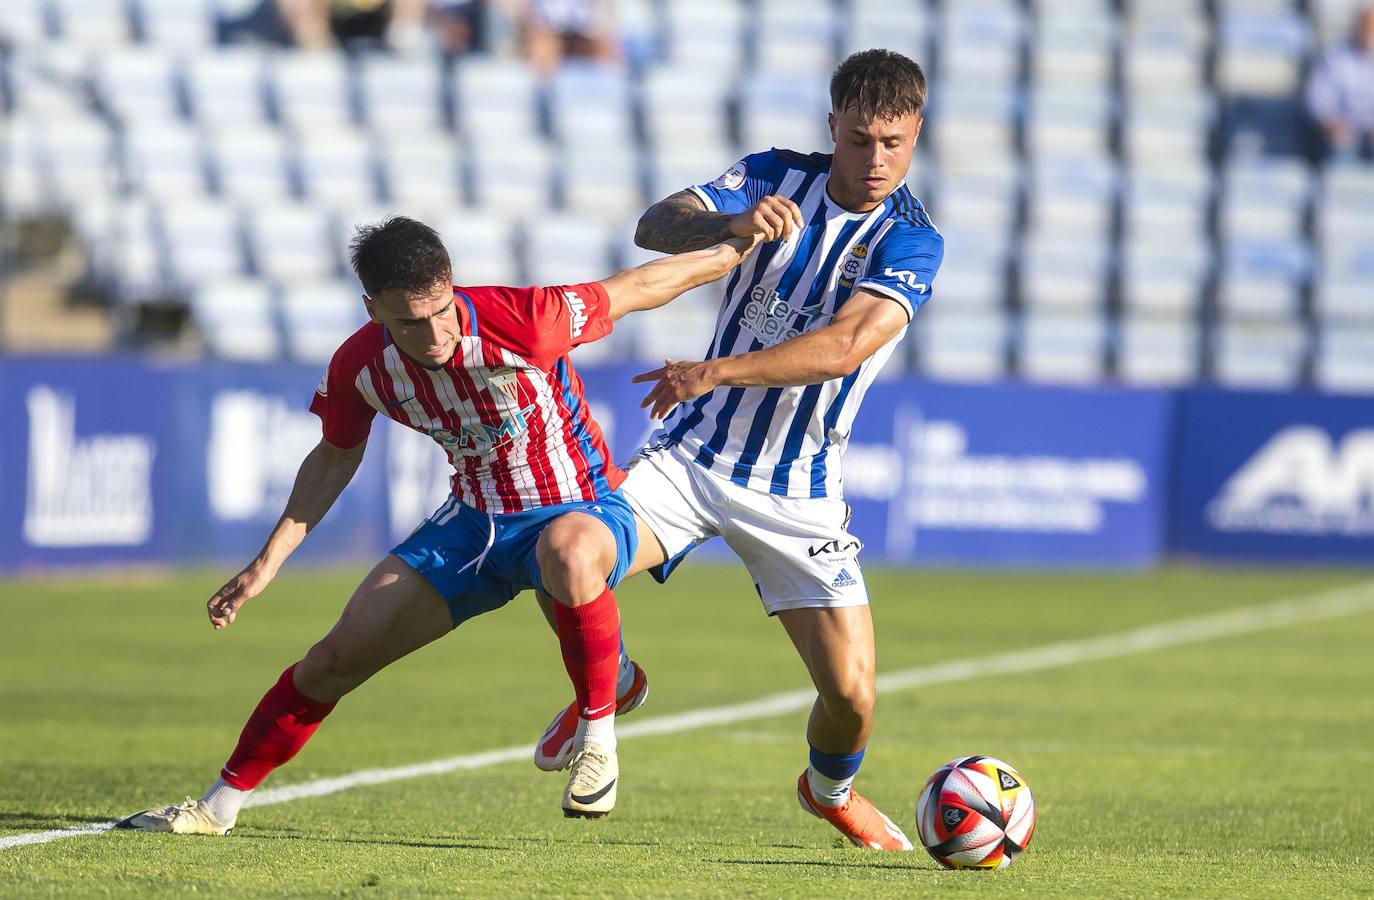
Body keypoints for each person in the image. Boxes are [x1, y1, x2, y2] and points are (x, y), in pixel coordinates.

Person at [116, 216, 754, 834]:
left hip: (578, 504)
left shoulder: (526, 319)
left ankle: (597, 740)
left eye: (442, 310)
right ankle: (216, 807)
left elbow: (637, 287)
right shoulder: (359, 367)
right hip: (472, 524)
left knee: (566, 553)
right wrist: (266, 563)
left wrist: (736, 246)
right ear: (374, 312)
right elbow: (335, 456)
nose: (433, 335)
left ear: (453, 286)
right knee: (335, 657)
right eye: (409, 323)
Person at [531, 49, 943, 851]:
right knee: (559, 549)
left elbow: (843, 348)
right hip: (689, 459)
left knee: (853, 697)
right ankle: (609, 680)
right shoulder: (769, 176)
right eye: (860, 140)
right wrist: (729, 224)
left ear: (917, 134)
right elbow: (654, 224)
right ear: (833, 128)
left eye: (893, 141)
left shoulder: (912, 241)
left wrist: (712, 370)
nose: (876, 158)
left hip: (798, 489)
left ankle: (830, 791)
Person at [1305, 4, 1374, 160]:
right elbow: (1317, 100)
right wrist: (1332, 123)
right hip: (1341, 133)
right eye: (1366, 27)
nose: (1369, 34)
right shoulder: (1334, 56)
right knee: (1341, 145)